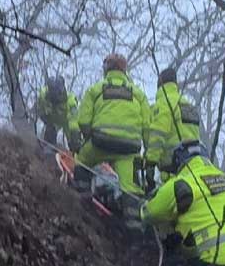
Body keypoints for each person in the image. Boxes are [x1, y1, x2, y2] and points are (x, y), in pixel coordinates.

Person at [76, 54, 151, 202]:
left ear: (106, 69)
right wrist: (147, 154)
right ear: (125, 70)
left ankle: (81, 203)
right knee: (129, 189)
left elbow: (83, 121)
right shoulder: (139, 94)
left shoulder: (95, 90)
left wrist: (88, 137)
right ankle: (132, 219)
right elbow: (148, 127)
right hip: (129, 149)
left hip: (100, 143)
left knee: (82, 162)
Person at [145, 67, 201, 189]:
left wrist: (150, 163)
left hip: (172, 169)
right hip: (193, 166)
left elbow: (157, 135)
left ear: (159, 84)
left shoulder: (163, 104)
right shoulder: (188, 105)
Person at [37, 75, 81, 151]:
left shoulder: (71, 101)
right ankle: (48, 153)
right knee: (49, 134)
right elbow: (40, 107)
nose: (56, 95)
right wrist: (43, 117)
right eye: (53, 91)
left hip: (67, 122)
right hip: (53, 120)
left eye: (58, 92)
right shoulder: (43, 95)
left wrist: (75, 133)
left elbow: (74, 119)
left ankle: (76, 154)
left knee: (75, 141)